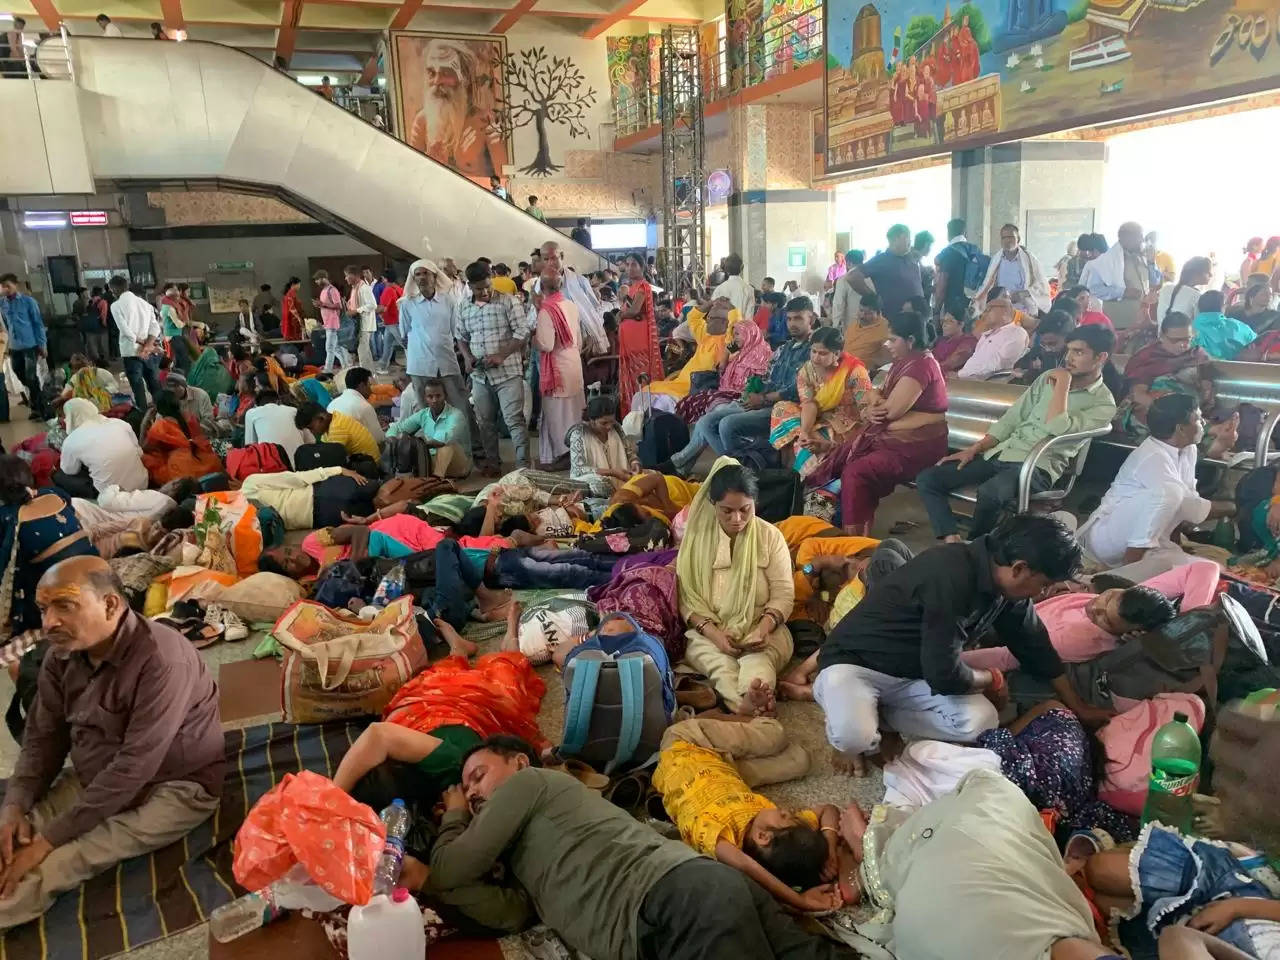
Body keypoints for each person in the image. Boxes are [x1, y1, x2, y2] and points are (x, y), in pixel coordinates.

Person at [428, 736, 856, 960]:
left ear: (519, 763)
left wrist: (454, 814)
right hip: (696, 894)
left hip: (671, 902)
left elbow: (448, 868)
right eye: (465, 788)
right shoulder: (527, 850)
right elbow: (503, 910)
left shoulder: (529, 782)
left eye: (478, 777)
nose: (471, 793)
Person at [0, 556, 221, 929]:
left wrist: (47, 843)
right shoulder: (61, 654)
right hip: (99, 773)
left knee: (60, 860)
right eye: (43, 608)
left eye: (64, 606)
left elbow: (135, 767)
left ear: (110, 604)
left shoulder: (163, 660)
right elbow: (42, 738)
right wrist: (16, 803)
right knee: (12, 840)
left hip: (173, 787)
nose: (49, 622)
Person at [815, 515, 1107, 777]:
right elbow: (946, 675)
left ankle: (883, 720)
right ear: (1019, 568)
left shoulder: (1006, 586)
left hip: (915, 672)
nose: (1042, 593)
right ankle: (849, 723)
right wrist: (990, 678)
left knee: (982, 721)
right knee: (852, 736)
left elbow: (1035, 645)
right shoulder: (950, 576)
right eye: (1043, 585)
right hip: (856, 663)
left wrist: (1078, 706)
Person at [917, 325, 1117, 542]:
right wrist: (975, 448)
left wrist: (1063, 385)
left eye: (1079, 352)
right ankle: (952, 538)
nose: (1069, 358)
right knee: (929, 478)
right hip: (1003, 453)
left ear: (1101, 357)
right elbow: (1014, 418)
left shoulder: (1103, 404)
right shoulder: (1048, 378)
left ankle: (976, 548)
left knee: (990, 493)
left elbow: (1057, 427)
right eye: (1069, 350)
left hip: (1037, 465)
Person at [652, 714, 843, 912]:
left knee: (777, 737)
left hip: (684, 742)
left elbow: (746, 866)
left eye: (785, 817)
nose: (785, 810)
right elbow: (828, 810)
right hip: (727, 770)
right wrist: (830, 847)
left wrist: (799, 901)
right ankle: (737, 718)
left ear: (762, 836)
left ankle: (723, 716)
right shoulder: (780, 834)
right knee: (800, 760)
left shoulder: (717, 833)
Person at [808, 311, 948, 535]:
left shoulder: (921, 366)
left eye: (893, 339)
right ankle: (828, 523)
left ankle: (855, 541)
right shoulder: (905, 362)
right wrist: (875, 401)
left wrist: (876, 403)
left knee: (856, 471)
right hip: (894, 437)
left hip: (917, 444)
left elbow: (888, 411)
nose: (887, 344)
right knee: (844, 458)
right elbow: (874, 395)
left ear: (910, 340)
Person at [677, 460, 794, 714]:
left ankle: (756, 692)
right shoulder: (696, 541)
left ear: (755, 503)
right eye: (726, 511)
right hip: (709, 630)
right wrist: (714, 634)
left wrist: (763, 628)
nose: (737, 519)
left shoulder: (770, 537)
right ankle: (747, 705)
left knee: (759, 661)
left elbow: (784, 594)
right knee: (717, 664)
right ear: (713, 506)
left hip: (762, 628)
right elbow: (686, 599)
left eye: (745, 509)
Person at [1077, 394, 1232, 579]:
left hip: (1153, 539)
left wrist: (1178, 547)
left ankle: (1139, 569)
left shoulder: (1187, 450)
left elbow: (1182, 508)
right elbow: (1190, 508)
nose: (1203, 423)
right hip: (1111, 541)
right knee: (1171, 494)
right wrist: (1233, 508)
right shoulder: (1153, 458)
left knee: (1215, 570)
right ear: (1180, 428)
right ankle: (1121, 576)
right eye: (1198, 418)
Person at [703, 298, 814, 461]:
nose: (792, 324)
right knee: (707, 422)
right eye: (789, 319)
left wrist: (763, 398)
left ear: (811, 319)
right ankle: (743, 464)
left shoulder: (814, 350)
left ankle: (745, 468)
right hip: (764, 401)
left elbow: (797, 389)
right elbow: (768, 377)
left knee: (727, 425)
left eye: (798, 318)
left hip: (785, 408)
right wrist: (753, 390)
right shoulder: (784, 348)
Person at [456, 260, 535, 474]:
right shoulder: (464, 306)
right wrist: (467, 357)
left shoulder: (508, 302)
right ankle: (493, 463)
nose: (484, 292)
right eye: (478, 288)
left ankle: (522, 466)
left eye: (487, 286)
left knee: (514, 420)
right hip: (480, 376)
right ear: (469, 287)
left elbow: (523, 331)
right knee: (485, 422)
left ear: (491, 279)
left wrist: (502, 355)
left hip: (508, 373)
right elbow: (461, 336)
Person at [399, 259, 479, 458]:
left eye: (425, 273)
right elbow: (404, 334)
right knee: (426, 410)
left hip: (446, 362)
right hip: (419, 365)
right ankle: (432, 454)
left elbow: (456, 332)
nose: (421, 278)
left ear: (435, 276)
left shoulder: (449, 301)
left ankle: (472, 450)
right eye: (417, 274)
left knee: (461, 406)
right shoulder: (407, 304)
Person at [769, 326, 873, 479]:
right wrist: (804, 431)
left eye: (823, 353)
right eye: (813, 351)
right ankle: (804, 447)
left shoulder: (854, 372)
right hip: (816, 415)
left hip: (844, 422)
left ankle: (804, 474)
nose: (816, 357)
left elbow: (865, 406)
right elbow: (809, 404)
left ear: (836, 354)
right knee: (781, 408)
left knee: (808, 442)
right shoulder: (807, 370)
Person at [1119, 310, 1210, 439]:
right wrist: (1172, 414)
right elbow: (1138, 395)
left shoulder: (1195, 353)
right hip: (1156, 411)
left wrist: (1205, 390)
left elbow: (1205, 385)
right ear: (1161, 336)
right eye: (1175, 340)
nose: (1183, 345)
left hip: (1191, 410)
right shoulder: (1147, 357)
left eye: (1187, 339)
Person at [533, 268, 583, 467]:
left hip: (557, 370)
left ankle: (563, 456)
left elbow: (546, 344)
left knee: (557, 415)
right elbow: (578, 339)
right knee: (573, 412)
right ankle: (576, 453)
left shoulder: (546, 310)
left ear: (542, 288)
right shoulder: (571, 305)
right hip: (573, 363)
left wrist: (533, 340)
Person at [55, 399, 147, 500]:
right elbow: (140, 453)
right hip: (142, 484)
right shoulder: (120, 423)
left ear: (71, 417)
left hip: (111, 496)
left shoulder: (72, 440)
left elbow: (70, 470)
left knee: (59, 476)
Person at [242, 465, 378, 532]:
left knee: (380, 511)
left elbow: (295, 479)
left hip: (321, 508)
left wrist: (338, 469)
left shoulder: (238, 520)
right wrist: (337, 470)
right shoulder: (249, 486)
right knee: (381, 495)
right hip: (322, 502)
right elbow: (296, 479)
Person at [385, 377, 472, 478]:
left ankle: (436, 481)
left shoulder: (456, 415)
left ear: (445, 396)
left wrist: (418, 444)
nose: (434, 400)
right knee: (403, 440)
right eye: (430, 397)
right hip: (432, 461)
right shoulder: (423, 414)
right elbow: (399, 427)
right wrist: (392, 437)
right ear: (425, 398)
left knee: (446, 446)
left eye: (438, 396)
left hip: (459, 465)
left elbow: (443, 439)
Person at [1080, 221, 1151, 328]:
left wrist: (1152, 262)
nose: (1142, 240)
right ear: (1125, 238)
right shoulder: (1105, 261)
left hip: (1143, 319)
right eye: (1139, 236)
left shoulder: (1143, 257)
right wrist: (1122, 292)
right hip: (1119, 322)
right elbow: (1093, 289)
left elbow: (1154, 282)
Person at [141, 393, 222, 486]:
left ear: (157, 409)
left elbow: (144, 448)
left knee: (146, 459)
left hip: (180, 470)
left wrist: (144, 424)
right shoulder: (190, 417)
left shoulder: (159, 427)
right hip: (204, 461)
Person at [565, 395, 639, 497]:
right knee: (599, 485)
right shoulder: (578, 434)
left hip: (622, 480)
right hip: (593, 485)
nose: (609, 426)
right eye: (604, 423)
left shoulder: (616, 427)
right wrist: (612, 472)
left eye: (611, 422)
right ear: (591, 420)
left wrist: (635, 463)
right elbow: (578, 469)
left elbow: (629, 451)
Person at [845, 224, 923, 318]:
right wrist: (873, 297)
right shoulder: (882, 260)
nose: (910, 241)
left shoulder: (910, 258)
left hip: (918, 317)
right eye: (907, 237)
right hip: (896, 319)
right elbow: (852, 277)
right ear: (895, 240)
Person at [617, 252, 662, 415]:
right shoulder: (632, 287)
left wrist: (620, 315)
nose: (629, 268)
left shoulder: (643, 286)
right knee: (632, 376)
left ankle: (642, 414)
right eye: (627, 264)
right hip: (629, 340)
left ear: (642, 267)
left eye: (634, 264)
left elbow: (635, 310)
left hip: (639, 340)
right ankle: (632, 414)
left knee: (640, 376)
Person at [107, 275, 162, 410]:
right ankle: (162, 414)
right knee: (154, 385)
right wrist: (148, 346)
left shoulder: (116, 305)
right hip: (148, 352)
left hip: (131, 352)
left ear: (113, 289)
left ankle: (143, 418)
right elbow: (155, 328)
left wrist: (142, 344)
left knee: (138, 389)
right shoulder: (145, 304)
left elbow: (126, 331)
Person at [972, 223, 1052, 315]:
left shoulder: (1030, 259)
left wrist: (1023, 294)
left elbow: (1042, 286)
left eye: (1011, 237)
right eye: (1004, 238)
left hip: (1023, 308)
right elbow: (987, 285)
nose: (1007, 241)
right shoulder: (996, 260)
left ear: (1018, 239)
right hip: (1001, 308)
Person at [0, 274, 47, 421]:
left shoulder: (28, 302)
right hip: (14, 347)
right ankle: (40, 399)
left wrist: (42, 344)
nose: (6, 289)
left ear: (16, 285)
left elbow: (37, 324)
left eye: (8, 285)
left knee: (31, 376)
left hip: (30, 345)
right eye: (3, 286)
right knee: (19, 375)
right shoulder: (2, 304)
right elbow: (6, 325)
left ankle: (39, 409)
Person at [957, 286, 1030, 379]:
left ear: (1004, 311)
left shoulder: (1017, 333)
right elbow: (975, 360)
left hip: (989, 384)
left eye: (989, 309)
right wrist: (961, 374)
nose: (984, 314)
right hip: (968, 379)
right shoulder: (986, 335)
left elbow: (999, 365)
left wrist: (961, 375)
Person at [242, 387, 310, 464]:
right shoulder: (293, 410)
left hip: (273, 466)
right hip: (302, 463)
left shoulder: (252, 413)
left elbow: (250, 446)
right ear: (278, 402)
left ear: (256, 405)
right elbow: (311, 441)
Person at [294, 401, 379, 460]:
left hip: (369, 466)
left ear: (321, 418)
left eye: (311, 428)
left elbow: (332, 459)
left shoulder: (337, 428)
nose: (312, 432)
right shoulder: (334, 418)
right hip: (362, 460)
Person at [932, 218, 977, 324]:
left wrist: (936, 311)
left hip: (953, 309)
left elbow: (942, 284)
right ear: (965, 232)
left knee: (952, 339)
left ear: (948, 233)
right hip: (975, 306)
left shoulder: (947, 253)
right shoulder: (975, 249)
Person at [327, 366, 385, 446]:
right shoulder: (364, 406)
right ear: (362, 385)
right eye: (369, 385)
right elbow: (379, 439)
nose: (371, 389)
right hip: (356, 453)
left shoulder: (332, 403)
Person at [1012, 309, 1072, 385]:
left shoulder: (1073, 359)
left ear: (1068, 338)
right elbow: (1020, 365)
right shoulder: (1040, 350)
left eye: (1052, 344)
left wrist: (1029, 374)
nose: (1047, 348)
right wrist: (1021, 369)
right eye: (1043, 344)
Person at [1193, 290, 1256, 360]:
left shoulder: (1189, 330)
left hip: (1199, 369)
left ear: (1199, 307)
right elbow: (1257, 342)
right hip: (1239, 369)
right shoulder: (1238, 327)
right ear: (1223, 307)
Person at [1156, 256, 1212, 328]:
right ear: (1196, 273)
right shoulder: (1197, 296)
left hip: (1162, 337)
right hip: (1181, 338)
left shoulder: (1166, 287)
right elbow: (1199, 328)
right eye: (1208, 272)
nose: (1211, 275)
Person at [841, 293, 891, 370]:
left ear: (877, 313)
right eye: (861, 310)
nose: (862, 315)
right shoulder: (856, 323)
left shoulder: (885, 329)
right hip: (843, 367)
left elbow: (886, 361)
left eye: (868, 313)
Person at [343, 265, 378, 370]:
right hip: (358, 324)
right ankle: (370, 375)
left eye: (347, 276)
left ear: (354, 275)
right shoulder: (354, 289)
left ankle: (366, 376)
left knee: (363, 353)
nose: (345, 278)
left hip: (365, 324)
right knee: (364, 352)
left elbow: (373, 305)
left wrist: (356, 311)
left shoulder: (364, 288)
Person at [314, 269, 348, 372]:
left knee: (329, 348)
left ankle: (328, 370)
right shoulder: (323, 291)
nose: (316, 282)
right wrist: (319, 304)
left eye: (317, 280)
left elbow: (338, 305)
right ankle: (346, 365)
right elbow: (325, 305)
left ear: (324, 278)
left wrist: (323, 304)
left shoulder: (332, 290)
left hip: (332, 323)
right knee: (336, 347)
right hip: (327, 323)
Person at [712, 253, 756, 323]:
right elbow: (749, 318)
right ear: (742, 267)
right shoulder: (749, 289)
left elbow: (714, 313)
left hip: (723, 330)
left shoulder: (719, 289)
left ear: (726, 269)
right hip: (741, 331)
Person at [829, 250, 865, 333]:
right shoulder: (870, 278)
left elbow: (839, 304)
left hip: (852, 325)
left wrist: (835, 327)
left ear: (848, 263)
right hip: (870, 324)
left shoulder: (843, 280)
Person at [932, 310, 977, 374]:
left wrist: (930, 371)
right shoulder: (942, 341)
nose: (944, 325)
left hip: (955, 381)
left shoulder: (969, 341)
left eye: (949, 321)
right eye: (943, 321)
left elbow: (953, 361)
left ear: (961, 324)